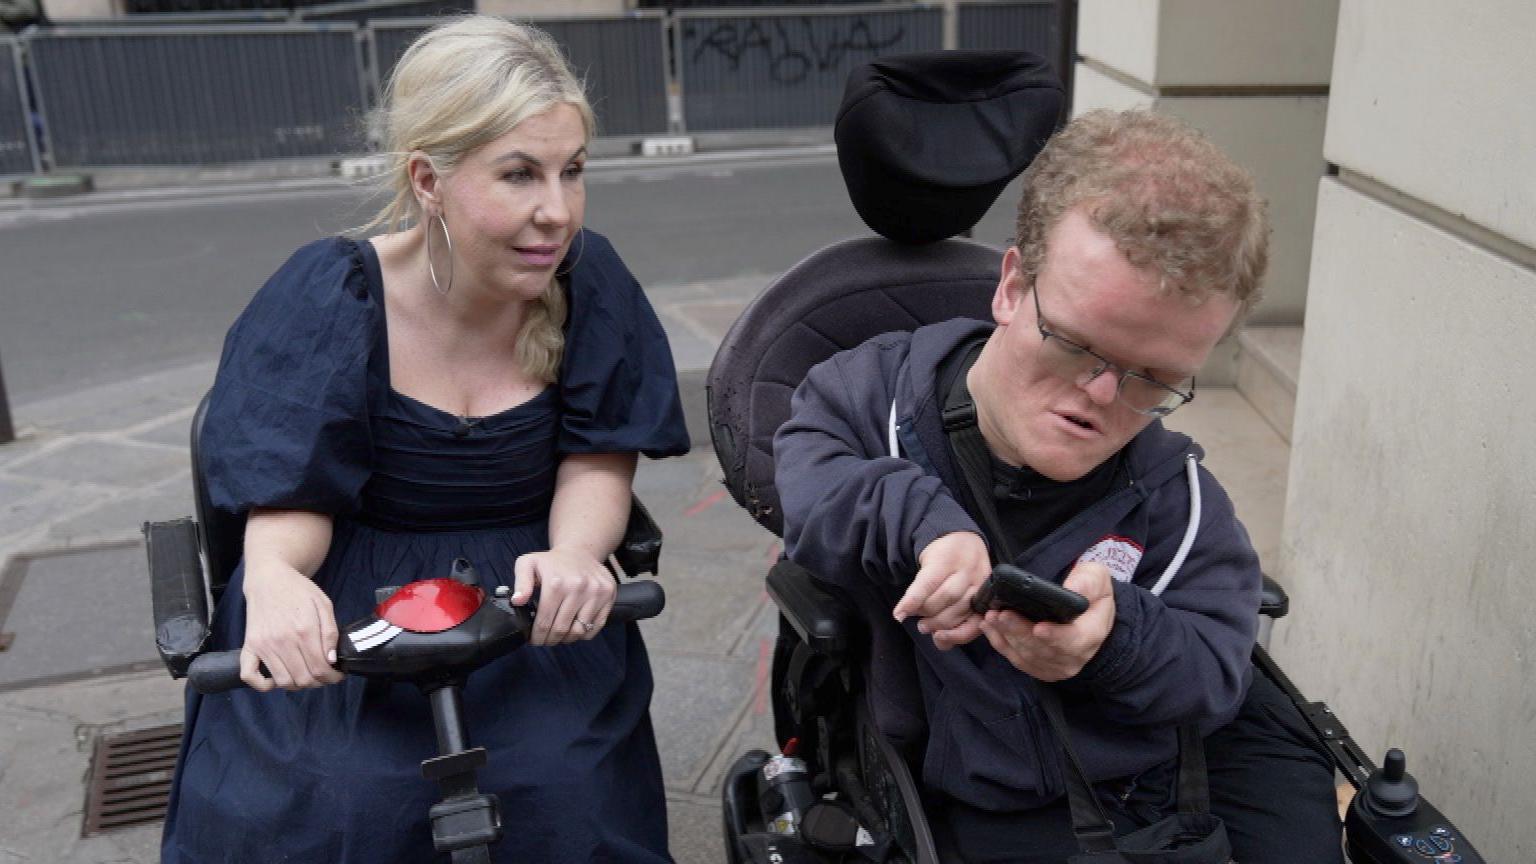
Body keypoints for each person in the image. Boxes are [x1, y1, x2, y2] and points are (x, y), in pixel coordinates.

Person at [161, 16, 689, 863]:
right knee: (344, 804)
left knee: (566, 797)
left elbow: (597, 455)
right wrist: (273, 580)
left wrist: (578, 554)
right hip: (357, 600)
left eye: (573, 171)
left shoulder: (590, 280)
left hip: (524, 601)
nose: (555, 211)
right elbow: (294, 488)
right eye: (519, 174)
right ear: (428, 180)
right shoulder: (331, 294)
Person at [775, 109, 1341, 862]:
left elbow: (1215, 668)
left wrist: (1111, 641)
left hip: (1182, 755)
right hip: (1005, 781)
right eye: (1077, 346)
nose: (1104, 396)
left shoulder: (1175, 492)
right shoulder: (867, 400)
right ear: (1012, 287)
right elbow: (815, 487)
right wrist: (926, 524)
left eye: (1157, 377)